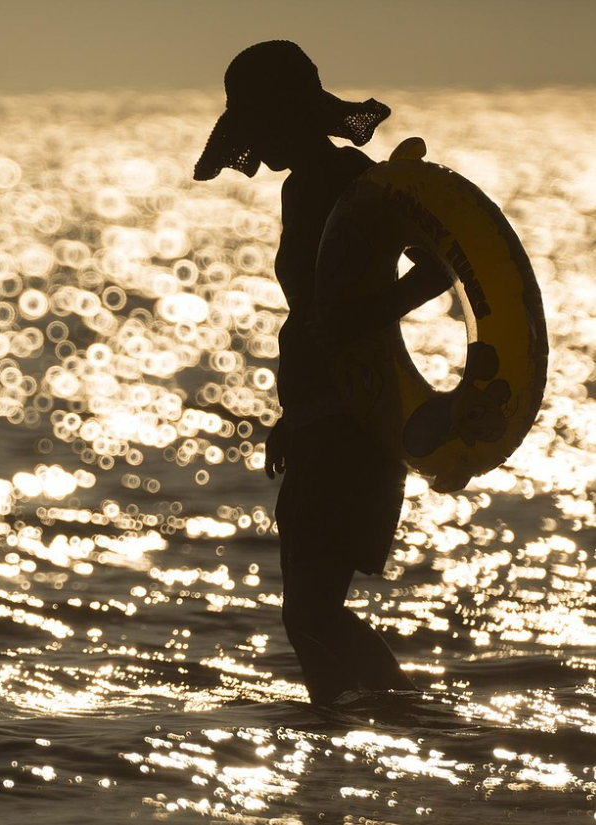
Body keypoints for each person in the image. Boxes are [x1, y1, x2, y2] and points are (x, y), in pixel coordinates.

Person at [193, 41, 450, 704]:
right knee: (303, 619)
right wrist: (294, 419)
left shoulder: (347, 180)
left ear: (293, 115)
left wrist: (364, 321)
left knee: (312, 612)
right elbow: (317, 309)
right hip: (317, 420)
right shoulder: (301, 185)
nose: (257, 139)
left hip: (354, 420)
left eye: (261, 121)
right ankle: (333, 756)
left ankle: (416, 721)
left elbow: (431, 269)